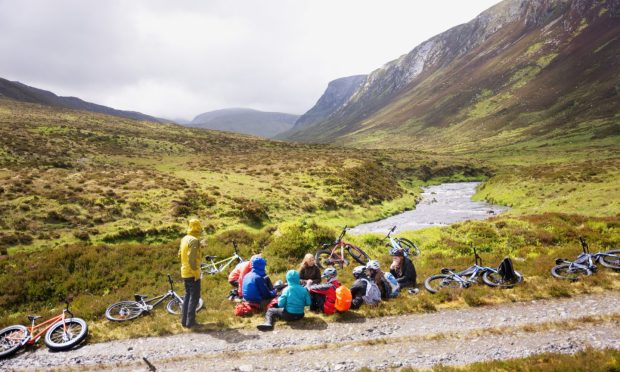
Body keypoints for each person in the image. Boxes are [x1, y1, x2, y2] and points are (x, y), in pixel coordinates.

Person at [178, 218, 203, 328]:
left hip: (184, 271)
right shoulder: (194, 240)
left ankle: (184, 321)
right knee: (195, 297)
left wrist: (199, 246)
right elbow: (192, 259)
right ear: (198, 227)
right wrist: (196, 273)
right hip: (192, 273)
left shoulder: (185, 239)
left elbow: (179, 254)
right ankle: (191, 323)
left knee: (187, 296)